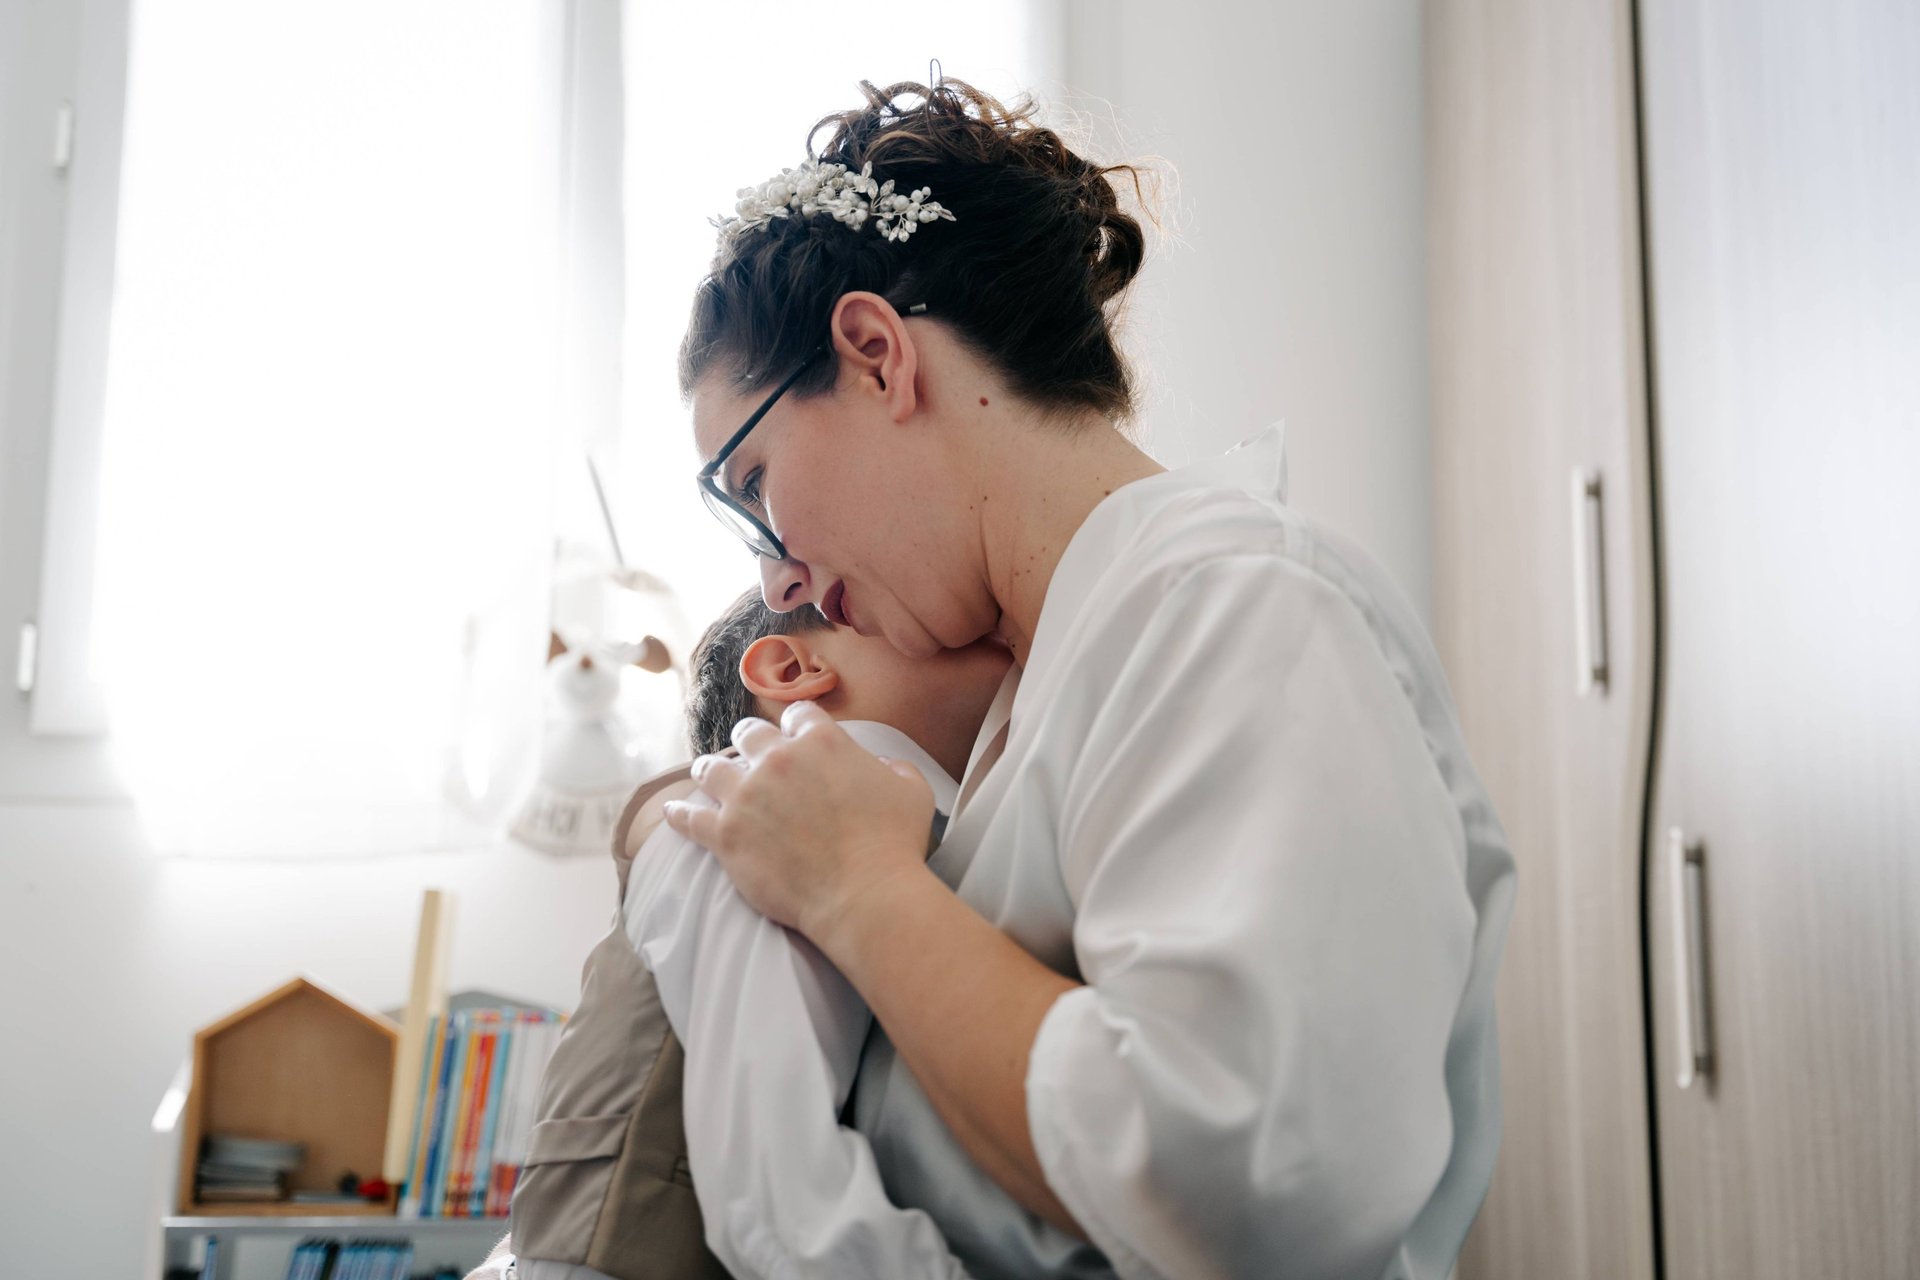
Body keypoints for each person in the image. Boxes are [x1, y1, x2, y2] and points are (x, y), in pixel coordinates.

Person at [666, 77, 1518, 1280]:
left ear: (873, 355)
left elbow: (1253, 1182)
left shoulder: (1236, 605)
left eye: (754, 483)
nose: (779, 576)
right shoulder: (1043, 679)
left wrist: (859, 891)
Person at [469, 589, 1012, 1280]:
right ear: (792, 671)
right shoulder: (751, 806)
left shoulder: (933, 839)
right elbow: (781, 1198)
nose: (986, 618)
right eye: (875, 609)